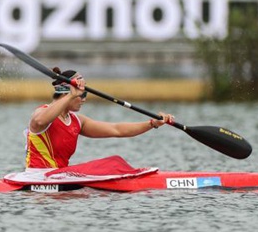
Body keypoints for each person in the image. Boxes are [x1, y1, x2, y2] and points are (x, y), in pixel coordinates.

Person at [25, 69, 175, 170]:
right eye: (81, 95)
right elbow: (39, 122)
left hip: (59, 178)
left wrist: (152, 124)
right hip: (37, 178)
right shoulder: (42, 112)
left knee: (114, 162)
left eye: (85, 95)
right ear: (65, 93)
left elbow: (117, 130)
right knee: (111, 165)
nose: (83, 99)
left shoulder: (78, 121)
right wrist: (72, 94)